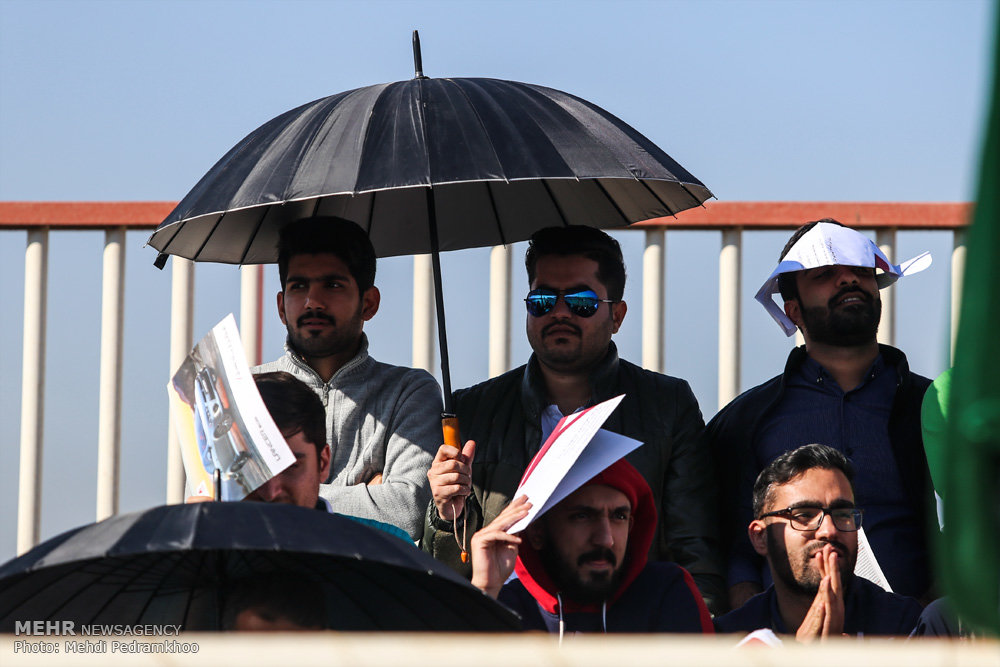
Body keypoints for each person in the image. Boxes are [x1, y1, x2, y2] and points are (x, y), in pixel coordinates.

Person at [421, 225, 724, 613]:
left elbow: (695, 553)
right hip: (507, 627)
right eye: (543, 300)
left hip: (628, 630)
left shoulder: (667, 405)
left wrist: (700, 633)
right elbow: (446, 576)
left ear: (617, 315)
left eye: (581, 301)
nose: (560, 313)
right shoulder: (472, 410)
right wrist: (447, 517)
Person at [707, 219, 935, 609]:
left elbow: (970, 525)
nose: (849, 279)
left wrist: (935, 621)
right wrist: (755, 627)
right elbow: (730, 542)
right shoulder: (746, 421)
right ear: (793, 309)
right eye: (825, 274)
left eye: (862, 269)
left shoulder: (935, 408)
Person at [253, 217, 442, 540]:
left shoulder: (408, 392)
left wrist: (279, 494)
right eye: (299, 286)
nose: (313, 302)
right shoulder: (245, 392)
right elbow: (212, 506)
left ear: (369, 303)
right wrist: (367, 492)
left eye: (333, 285)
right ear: (281, 306)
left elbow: (408, 510)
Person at [471, 458, 713, 636]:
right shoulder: (502, 605)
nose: (605, 539)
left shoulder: (666, 592)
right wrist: (484, 590)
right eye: (582, 516)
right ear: (537, 532)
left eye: (619, 517)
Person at [714, 444, 922, 639]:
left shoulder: (904, 626)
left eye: (843, 514)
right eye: (804, 515)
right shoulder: (729, 640)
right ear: (761, 537)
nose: (829, 531)